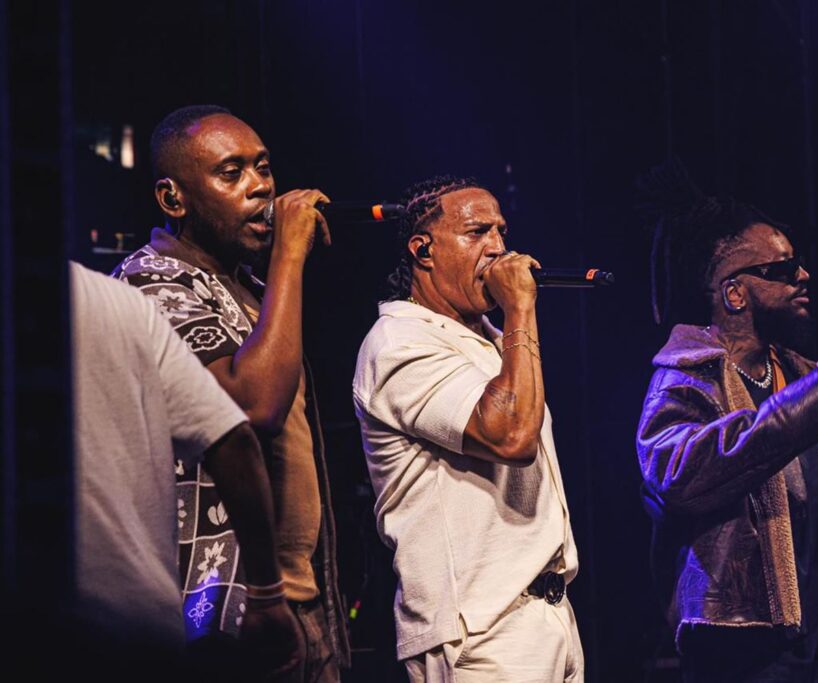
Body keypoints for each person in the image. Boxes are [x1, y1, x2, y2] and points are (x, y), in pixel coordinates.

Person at [113, 105, 348, 680]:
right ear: (173, 199)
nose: (260, 186)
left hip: (295, 597)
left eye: (263, 167)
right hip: (224, 611)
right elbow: (251, 407)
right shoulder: (153, 281)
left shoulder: (247, 287)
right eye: (231, 172)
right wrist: (290, 255)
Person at [635, 196, 818, 682]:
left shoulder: (796, 372)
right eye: (782, 269)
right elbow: (676, 478)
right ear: (735, 294)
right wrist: (803, 408)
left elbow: (791, 484)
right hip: (745, 645)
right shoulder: (686, 376)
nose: (802, 276)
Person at [352, 176, 583, 681]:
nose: (498, 247)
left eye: (501, 232)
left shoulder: (493, 342)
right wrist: (520, 307)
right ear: (423, 250)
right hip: (479, 631)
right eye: (477, 232)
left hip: (546, 617)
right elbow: (510, 435)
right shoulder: (400, 342)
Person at [69, 261, 301, 680]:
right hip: (145, 618)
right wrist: (267, 592)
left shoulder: (123, 302)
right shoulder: (137, 289)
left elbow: (233, 433)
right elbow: (242, 425)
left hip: (100, 624)